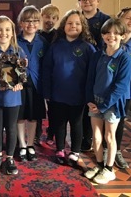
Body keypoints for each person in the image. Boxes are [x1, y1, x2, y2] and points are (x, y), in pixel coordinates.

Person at [42, 9, 96, 167]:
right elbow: (46, 69)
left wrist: (89, 95)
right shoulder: (55, 46)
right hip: (57, 93)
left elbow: (92, 73)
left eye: (77, 23)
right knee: (59, 123)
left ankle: (75, 151)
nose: (73, 26)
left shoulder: (88, 48)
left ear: (83, 27)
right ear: (64, 26)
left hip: (78, 95)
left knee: (76, 123)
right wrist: (47, 91)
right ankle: (60, 149)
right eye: (70, 23)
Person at [84, 18, 131, 184]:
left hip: (112, 104)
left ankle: (109, 169)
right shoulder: (98, 55)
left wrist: (104, 106)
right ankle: (99, 165)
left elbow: (121, 86)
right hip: (95, 102)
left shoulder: (124, 58)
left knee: (109, 137)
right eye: (107, 32)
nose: (111, 36)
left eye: (115, 33)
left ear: (122, 36)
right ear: (102, 35)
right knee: (96, 137)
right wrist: (89, 100)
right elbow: (90, 79)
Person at [102, 7, 131, 169]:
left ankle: (117, 150)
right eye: (129, 18)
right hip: (105, 89)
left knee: (118, 123)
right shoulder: (109, 41)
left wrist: (125, 71)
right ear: (120, 20)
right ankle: (103, 150)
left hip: (126, 92)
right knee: (102, 120)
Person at [0, 15, 26, 175]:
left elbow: (23, 73)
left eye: (7, 29)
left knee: (11, 128)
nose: (3, 33)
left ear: (13, 32)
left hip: (13, 98)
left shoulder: (18, 50)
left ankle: (9, 157)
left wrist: (20, 82)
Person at [77, 0, 111, 152]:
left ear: (97, 0)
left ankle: (100, 139)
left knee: (95, 103)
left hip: (98, 67)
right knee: (81, 103)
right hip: (78, 67)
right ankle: (83, 136)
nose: (87, 2)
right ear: (79, 2)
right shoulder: (76, 18)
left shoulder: (106, 20)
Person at [16, 5, 48, 162]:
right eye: (27, 21)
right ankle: (21, 145)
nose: (31, 24)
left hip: (37, 85)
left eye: (35, 21)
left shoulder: (42, 42)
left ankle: (30, 145)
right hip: (19, 85)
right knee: (20, 117)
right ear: (21, 23)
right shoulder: (15, 41)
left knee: (33, 117)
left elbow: (47, 65)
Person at [36, 3, 60, 146]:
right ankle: (37, 133)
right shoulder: (37, 35)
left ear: (57, 20)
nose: (49, 20)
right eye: (47, 16)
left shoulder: (58, 36)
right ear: (42, 17)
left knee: (53, 108)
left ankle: (51, 133)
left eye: (53, 17)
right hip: (38, 74)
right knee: (38, 107)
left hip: (53, 76)